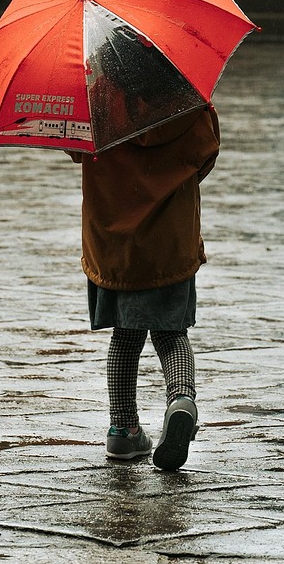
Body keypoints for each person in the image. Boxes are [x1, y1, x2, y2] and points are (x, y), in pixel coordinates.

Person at [81, 103, 220, 470]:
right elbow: (206, 154)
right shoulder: (188, 105)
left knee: (124, 337)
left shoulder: (96, 103)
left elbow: (76, 147)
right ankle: (181, 399)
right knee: (171, 332)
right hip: (169, 242)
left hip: (114, 244)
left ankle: (122, 430)